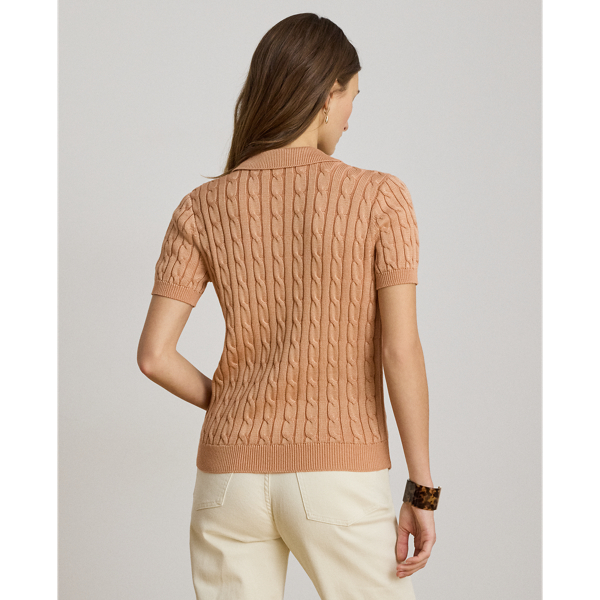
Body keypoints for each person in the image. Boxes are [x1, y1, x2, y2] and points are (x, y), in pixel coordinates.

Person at [137, 12, 440, 600]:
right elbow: (399, 349)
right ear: (328, 95)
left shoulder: (200, 206)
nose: (350, 117)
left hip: (228, 478)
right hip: (339, 474)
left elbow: (154, 356)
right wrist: (421, 491)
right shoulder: (379, 197)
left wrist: (236, 407)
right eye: (352, 98)